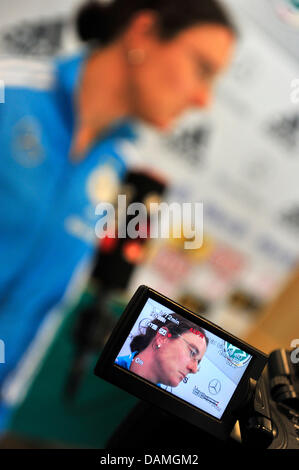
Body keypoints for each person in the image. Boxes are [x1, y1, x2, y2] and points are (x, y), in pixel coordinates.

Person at [0, 0, 236, 430]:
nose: (204, 99)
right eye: (201, 68)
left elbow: (43, 309)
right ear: (143, 33)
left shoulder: (118, 166)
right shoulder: (7, 98)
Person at [115, 314, 208, 387]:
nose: (194, 369)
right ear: (162, 337)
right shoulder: (110, 363)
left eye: (198, 362)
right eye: (192, 352)